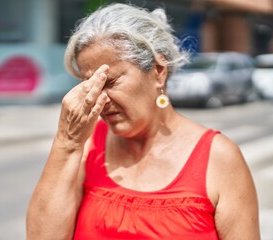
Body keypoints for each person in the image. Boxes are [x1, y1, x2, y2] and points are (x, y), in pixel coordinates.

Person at [26, 3, 260, 239]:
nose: (98, 97)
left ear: (158, 71)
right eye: (90, 85)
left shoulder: (219, 159)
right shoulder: (86, 145)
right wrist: (67, 142)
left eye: (109, 82)